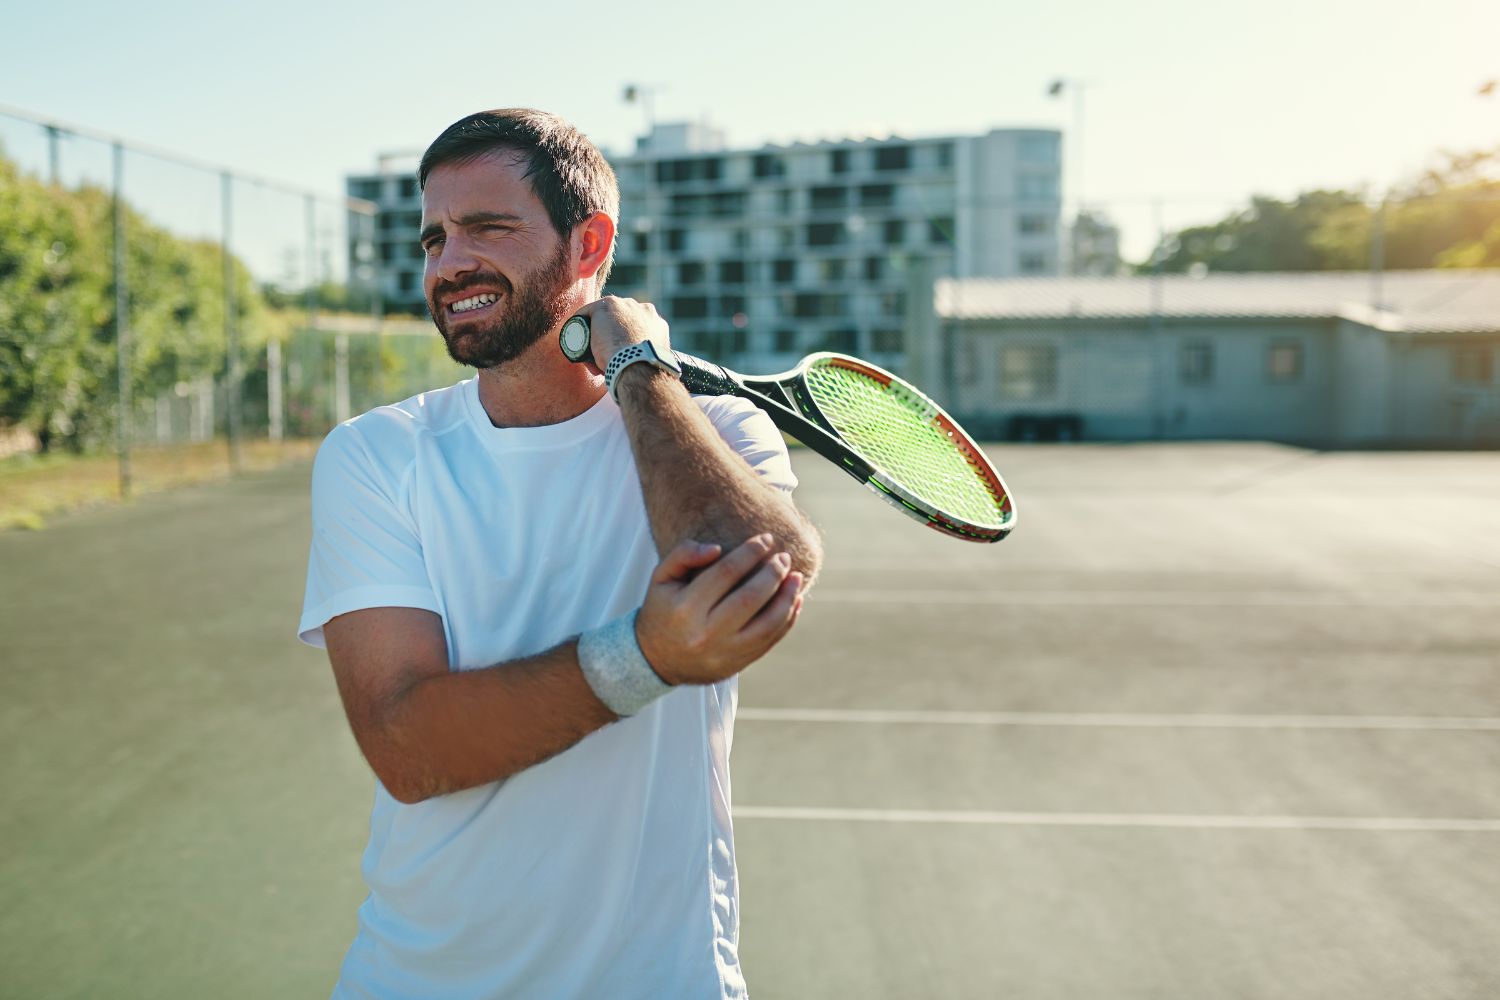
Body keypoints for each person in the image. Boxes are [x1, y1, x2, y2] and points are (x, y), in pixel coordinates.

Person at [298, 107, 822, 999]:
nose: (448, 261)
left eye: (487, 228)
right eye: (433, 237)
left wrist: (641, 373)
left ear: (590, 243)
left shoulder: (722, 428)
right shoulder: (376, 454)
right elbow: (406, 745)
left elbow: (761, 574)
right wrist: (648, 655)